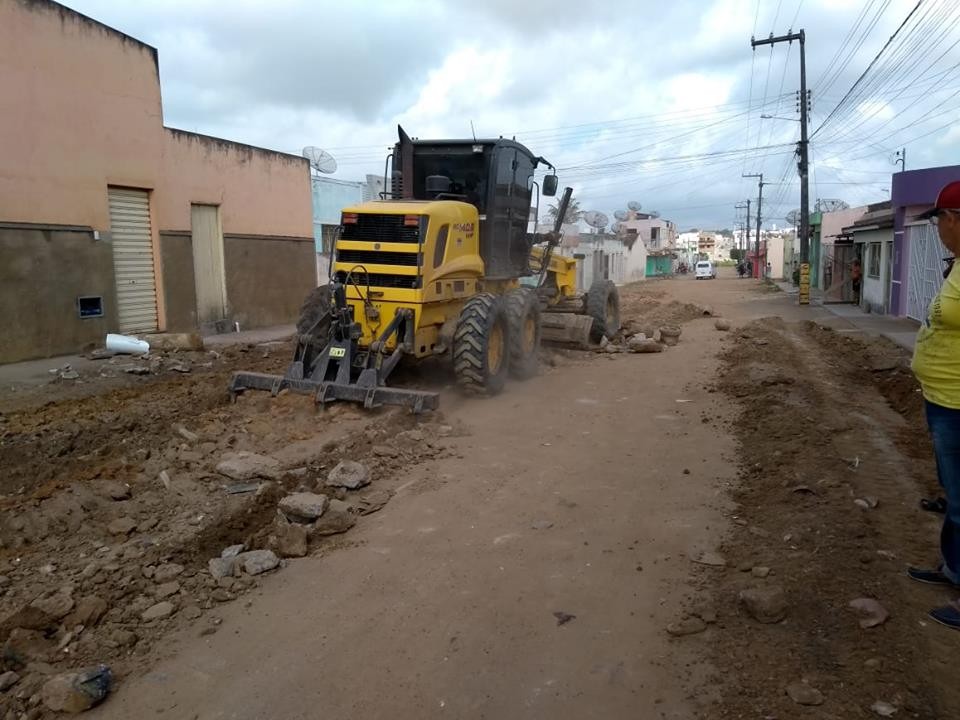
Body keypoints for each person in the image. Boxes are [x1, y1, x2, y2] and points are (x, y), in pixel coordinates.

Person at [907, 179, 960, 630]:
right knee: (953, 497)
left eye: (941, 219)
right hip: (944, 398)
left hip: (958, 404)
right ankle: (952, 569)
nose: (939, 227)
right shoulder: (957, 266)